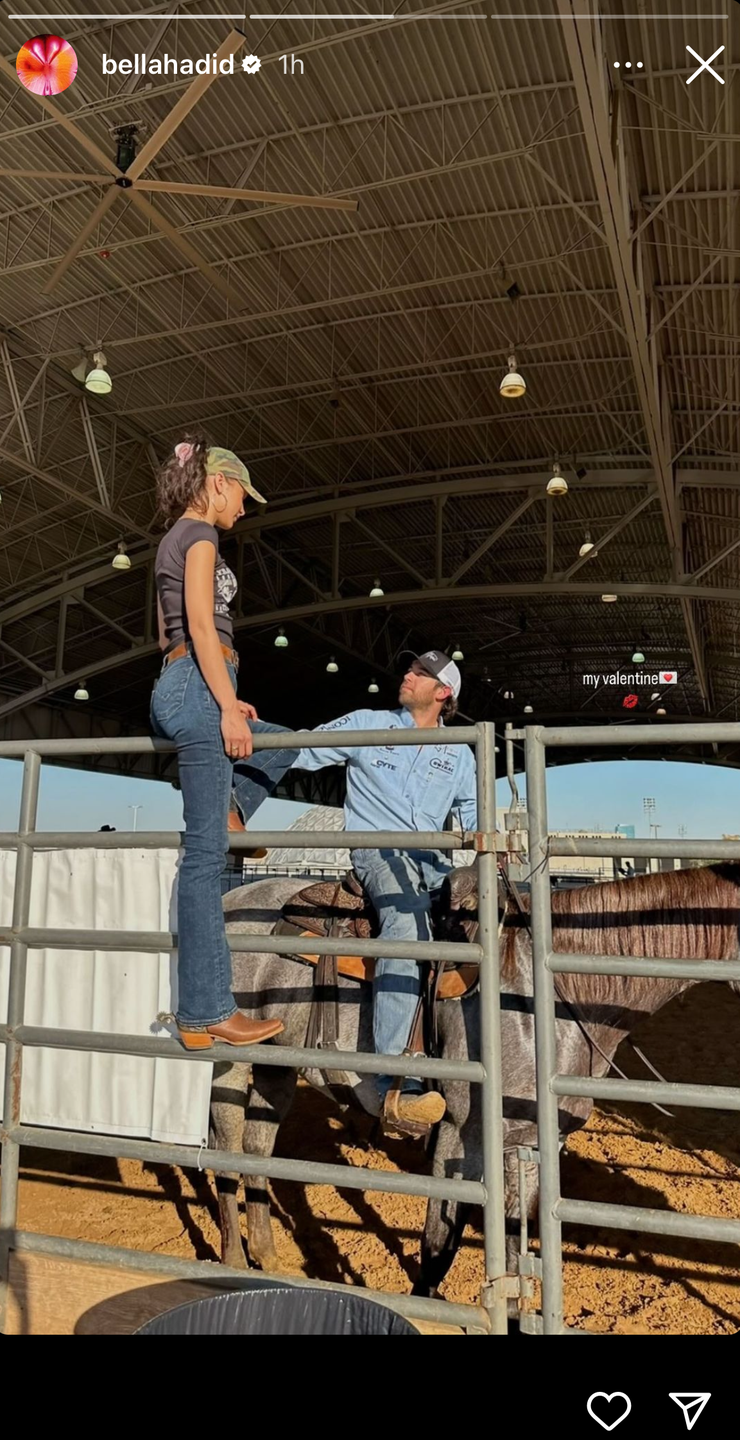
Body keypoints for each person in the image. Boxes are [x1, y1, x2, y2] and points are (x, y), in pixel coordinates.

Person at [238, 650, 477, 1129]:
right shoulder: (368, 723)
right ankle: (395, 1078)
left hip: (435, 861)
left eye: (420, 674)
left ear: (442, 692)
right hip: (379, 855)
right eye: (409, 669)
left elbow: (473, 814)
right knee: (406, 928)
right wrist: (252, 727)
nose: (406, 676)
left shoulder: (461, 752)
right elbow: (302, 750)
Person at [151, 432, 295, 1051]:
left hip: (192, 683)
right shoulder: (201, 535)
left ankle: (236, 808)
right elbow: (203, 627)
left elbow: (172, 628)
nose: (243, 509)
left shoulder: (173, 540)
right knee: (206, 861)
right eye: (241, 495)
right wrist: (223, 707)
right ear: (217, 484)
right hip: (196, 682)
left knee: (285, 742)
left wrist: (229, 699)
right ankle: (207, 1009)